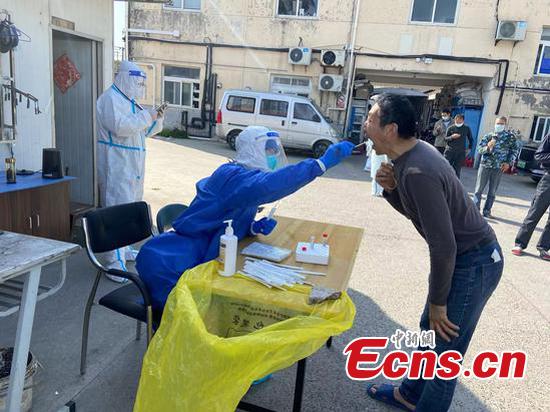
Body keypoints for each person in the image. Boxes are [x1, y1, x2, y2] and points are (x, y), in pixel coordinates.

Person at [364, 94, 502, 412]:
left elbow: (444, 245)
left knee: (445, 353)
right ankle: (410, 395)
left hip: (475, 261)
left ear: (390, 129)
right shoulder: (408, 159)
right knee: (430, 331)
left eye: (371, 119)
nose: (366, 125)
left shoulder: (417, 170)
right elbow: (420, 217)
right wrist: (391, 190)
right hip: (461, 258)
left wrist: (439, 302)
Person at [136, 126, 355, 309]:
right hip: (186, 253)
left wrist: (251, 228)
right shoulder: (231, 176)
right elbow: (269, 186)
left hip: (214, 245)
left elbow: (228, 218)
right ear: (252, 149)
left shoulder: (245, 176)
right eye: (268, 150)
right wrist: (320, 164)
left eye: (273, 150)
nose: (272, 156)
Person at [96, 60, 164, 281]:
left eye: (142, 83)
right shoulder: (110, 99)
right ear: (125, 78)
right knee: (117, 210)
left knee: (131, 208)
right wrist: (147, 117)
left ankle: (123, 251)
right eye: (137, 82)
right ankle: (113, 262)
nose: (139, 87)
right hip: (117, 164)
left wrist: (156, 118)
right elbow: (121, 127)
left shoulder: (130, 102)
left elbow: (142, 131)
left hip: (133, 165)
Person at [512, 132, 550, 261]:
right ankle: (520, 244)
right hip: (548, 180)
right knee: (535, 212)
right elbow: (539, 155)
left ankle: (544, 247)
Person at [473, 116, 520, 218]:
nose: (498, 126)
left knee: (492, 191)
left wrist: (508, 162)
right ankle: (475, 211)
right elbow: (479, 149)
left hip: (498, 167)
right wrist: (488, 147)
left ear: (505, 125)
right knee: (478, 190)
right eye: (497, 123)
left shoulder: (510, 137)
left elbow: (514, 150)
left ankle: (487, 211)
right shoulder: (489, 136)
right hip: (485, 165)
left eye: (501, 124)